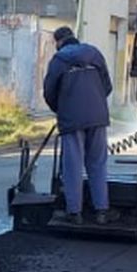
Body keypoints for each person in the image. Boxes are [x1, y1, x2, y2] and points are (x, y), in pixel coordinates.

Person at [43, 25, 113, 223]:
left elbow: (49, 92)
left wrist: (62, 108)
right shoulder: (95, 54)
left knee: (72, 166)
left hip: (72, 119)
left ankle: (74, 212)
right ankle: (101, 211)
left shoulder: (58, 60)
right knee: (98, 163)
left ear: (58, 42)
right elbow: (107, 86)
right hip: (98, 117)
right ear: (74, 38)